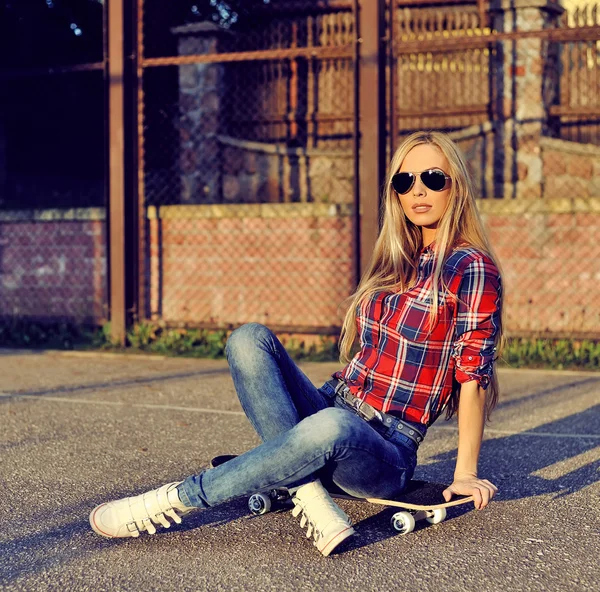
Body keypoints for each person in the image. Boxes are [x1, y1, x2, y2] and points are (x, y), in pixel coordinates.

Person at [89, 130, 501, 557]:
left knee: (331, 427)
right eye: (404, 181)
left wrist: (466, 471)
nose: (418, 190)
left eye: (433, 178)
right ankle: (310, 496)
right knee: (248, 339)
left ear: (457, 185)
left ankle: (170, 500)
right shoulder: (396, 258)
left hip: (383, 449)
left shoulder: (470, 266)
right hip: (333, 403)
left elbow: (473, 372)